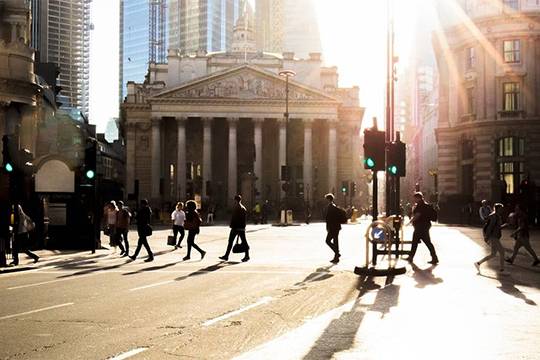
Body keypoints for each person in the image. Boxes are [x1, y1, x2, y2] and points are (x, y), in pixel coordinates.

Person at [407, 192, 439, 264]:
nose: (414, 199)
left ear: (418, 198)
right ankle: (434, 257)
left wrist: (409, 222)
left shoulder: (420, 205)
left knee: (422, 242)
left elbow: (417, 215)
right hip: (424, 226)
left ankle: (411, 257)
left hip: (421, 226)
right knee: (421, 242)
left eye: (415, 198)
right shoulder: (424, 204)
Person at [475, 203, 507, 274]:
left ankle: (478, 263)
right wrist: (486, 237)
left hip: (495, 236)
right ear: (497, 209)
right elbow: (490, 227)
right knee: (502, 252)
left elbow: (497, 227)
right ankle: (502, 270)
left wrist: (505, 225)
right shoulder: (493, 216)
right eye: (501, 209)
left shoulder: (497, 216)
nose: (502, 210)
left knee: (493, 254)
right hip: (493, 237)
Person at [219, 195, 250, 262]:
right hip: (241, 228)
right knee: (244, 242)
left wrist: (232, 225)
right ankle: (247, 255)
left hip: (236, 228)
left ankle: (226, 256)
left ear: (236, 200)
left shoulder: (237, 208)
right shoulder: (243, 208)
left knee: (230, 242)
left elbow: (235, 218)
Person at [324, 193, 342, 264]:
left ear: (328, 199)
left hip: (333, 227)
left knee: (328, 241)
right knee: (335, 241)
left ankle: (337, 253)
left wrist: (328, 227)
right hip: (336, 227)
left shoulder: (331, 207)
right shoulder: (333, 206)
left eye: (326, 199)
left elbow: (329, 219)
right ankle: (336, 256)